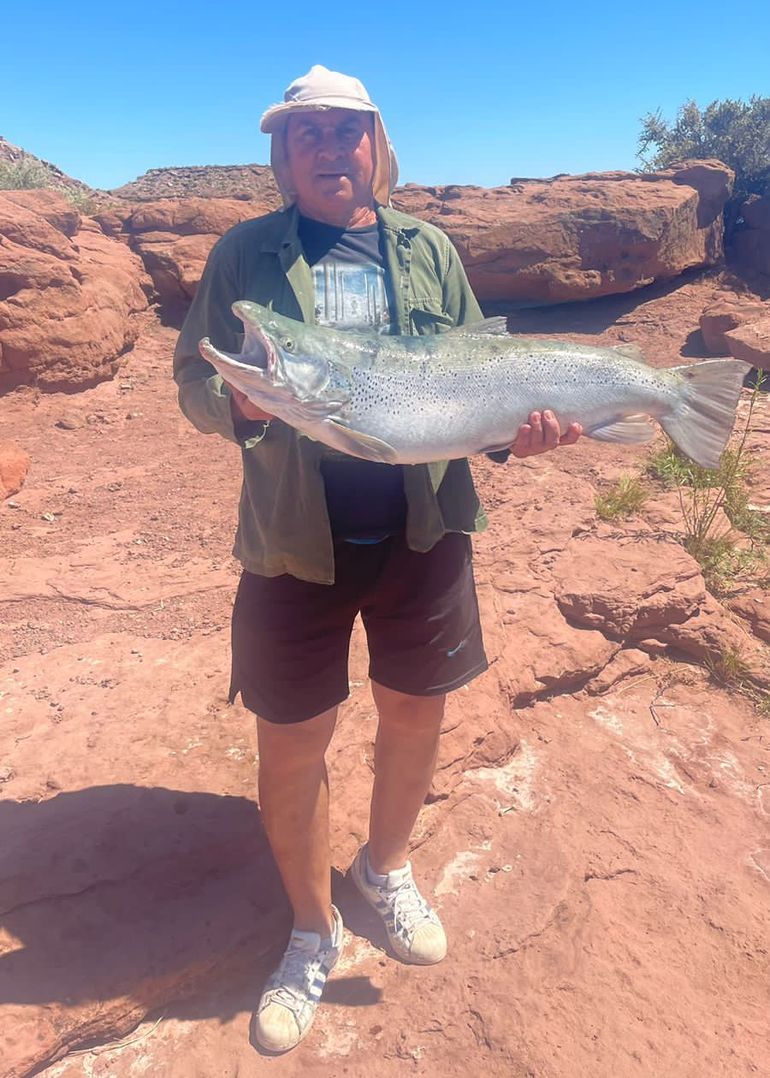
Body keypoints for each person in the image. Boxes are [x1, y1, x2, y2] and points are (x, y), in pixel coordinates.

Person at [173, 65, 582, 1054]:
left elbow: (467, 381)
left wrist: (505, 434)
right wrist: (230, 402)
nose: (324, 148)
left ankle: (383, 868)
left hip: (421, 530)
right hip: (290, 545)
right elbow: (192, 373)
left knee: (412, 712)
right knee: (291, 747)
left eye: (342, 131)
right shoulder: (244, 256)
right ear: (281, 155)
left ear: (374, 145)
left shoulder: (427, 250)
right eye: (302, 133)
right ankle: (311, 932)